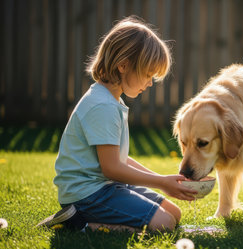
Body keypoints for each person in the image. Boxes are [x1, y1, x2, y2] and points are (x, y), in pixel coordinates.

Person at [37, 16, 197, 233]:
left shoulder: (111, 100)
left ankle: (85, 220)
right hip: (88, 195)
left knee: (174, 214)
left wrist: (162, 180)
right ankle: (77, 223)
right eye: (148, 75)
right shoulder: (102, 105)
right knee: (164, 224)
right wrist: (161, 183)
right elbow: (112, 168)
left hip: (106, 187)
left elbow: (118, 159)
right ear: (123, 65)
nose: (150, 83)